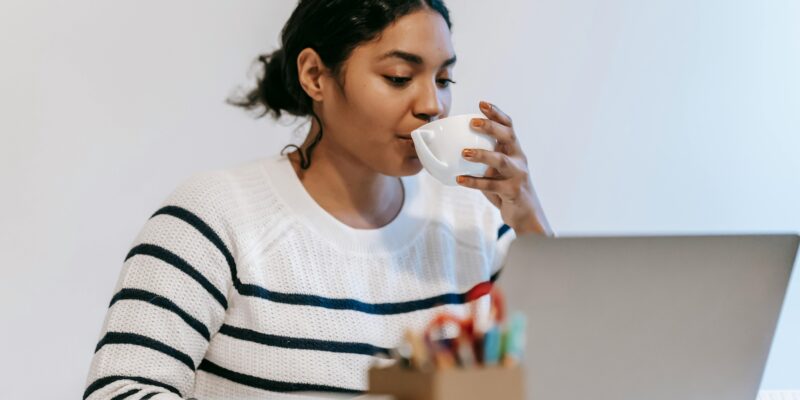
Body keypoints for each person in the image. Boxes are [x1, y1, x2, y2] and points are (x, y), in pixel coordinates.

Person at [84, 0, 552, 399]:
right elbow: (120, 389)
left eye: (444, 79)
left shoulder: (475, 223)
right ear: (315, 76)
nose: (432, 105)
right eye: (398, 76)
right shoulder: (214, 217)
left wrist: (531, 225)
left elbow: (564, 376)